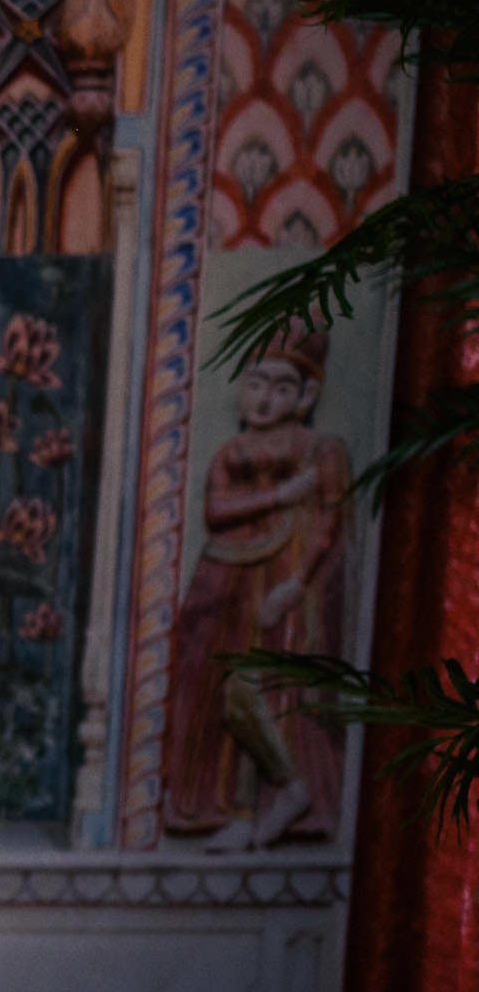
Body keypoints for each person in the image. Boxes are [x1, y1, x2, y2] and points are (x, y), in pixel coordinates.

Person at [161, 324, 352, 850]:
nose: (266, 399)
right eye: (257, 384)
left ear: (308, 395)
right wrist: (281, 494)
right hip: (224, 578)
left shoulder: (321, 449)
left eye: (283, 387)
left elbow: (330, 521)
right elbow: (217, 510)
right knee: (212, 693)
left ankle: (287, 794)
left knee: (261, 691)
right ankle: (234, 809)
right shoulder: (230, 452)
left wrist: (296, 584)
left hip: (283, 583)